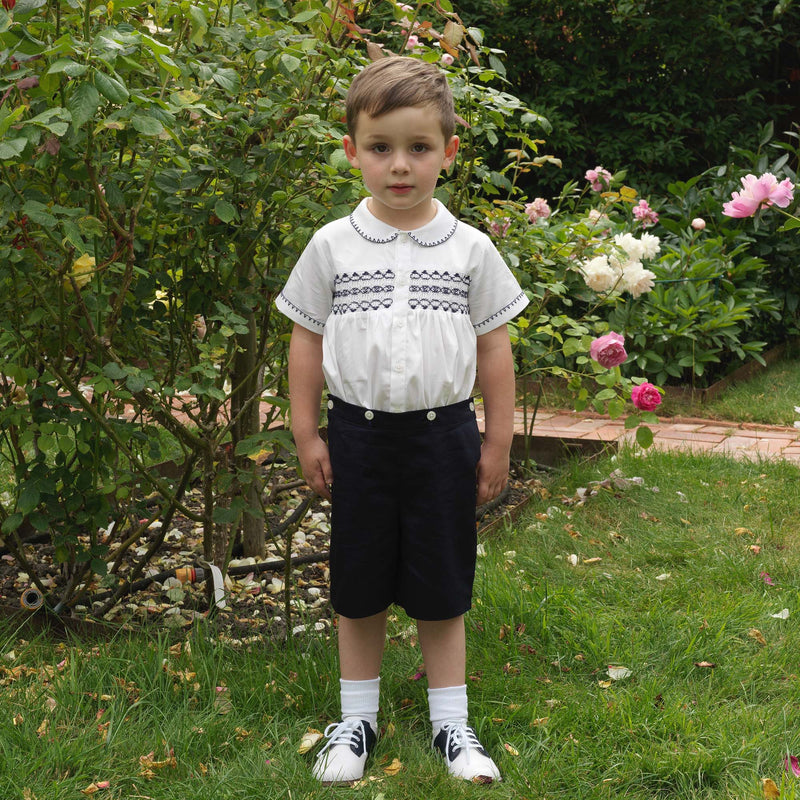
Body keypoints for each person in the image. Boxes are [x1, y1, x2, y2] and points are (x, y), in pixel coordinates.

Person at [275, 55, 529, 787]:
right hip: (356, 437)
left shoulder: (471, 249)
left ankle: (453, 724)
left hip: (444, 438)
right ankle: (356, 720)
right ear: (351, 149)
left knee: (441, 580)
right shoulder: (332, 245)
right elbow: (306, 339)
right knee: (358, 582)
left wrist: (497, 441)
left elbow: (494, 347)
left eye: (419, 148)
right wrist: (305, 432)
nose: (399, 166)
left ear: (448, 151)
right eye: (380, 147)